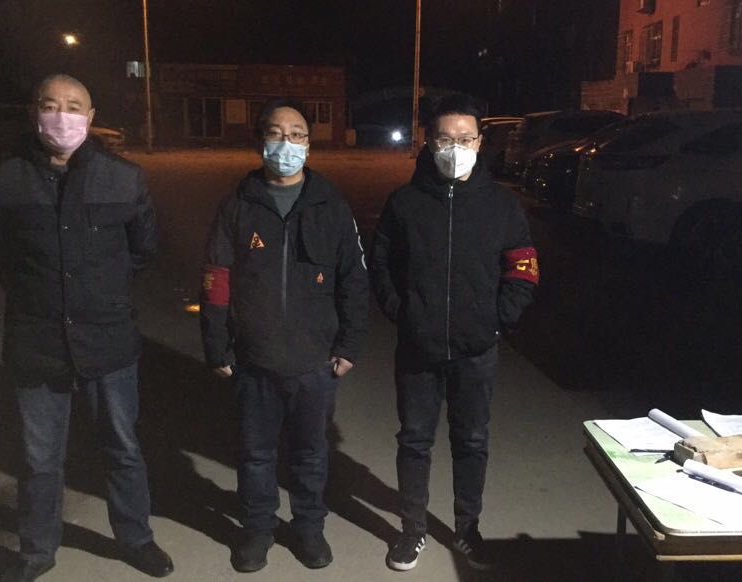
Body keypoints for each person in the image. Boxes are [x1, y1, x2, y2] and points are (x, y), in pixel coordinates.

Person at [0, 74, 173, 582]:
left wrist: (102, 293)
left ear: (90, 117)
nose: (61, 116)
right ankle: (36, 550)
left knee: (123, 447)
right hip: (37, 341)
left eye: (73, 106)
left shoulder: (123, 178)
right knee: (39, 458)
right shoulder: (3, 181)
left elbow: (142, 249)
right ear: (33, 113)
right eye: (50, 105)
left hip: (108, 339)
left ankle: (136, 538)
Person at [369, 94, 538, 572]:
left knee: (471, 442)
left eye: (465, 139)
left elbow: (523, 266)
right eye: (446, 139)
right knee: (414, 441)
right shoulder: (405, 202)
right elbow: (380, 263)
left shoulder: (501, 205)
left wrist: (498, 319)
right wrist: (402, 312)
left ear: (480, 142)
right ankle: (412, 530)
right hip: (418, 348)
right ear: (429, 142)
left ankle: (467, 530)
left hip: (476, 350)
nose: (455, 148)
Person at [199, 97, 368, 573]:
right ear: (260, 141)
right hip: (254, 360)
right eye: (276, 134)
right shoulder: (238, 204)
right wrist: (216, 344)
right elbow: (216, 279)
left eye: (296, 135)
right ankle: (258, 530)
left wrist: (350, 344)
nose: (286, 143)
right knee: (255, 455)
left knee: (311, 454)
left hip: (315, 362)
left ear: (309, 145)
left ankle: (309, 528)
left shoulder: (331, 205)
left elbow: (354, 279)